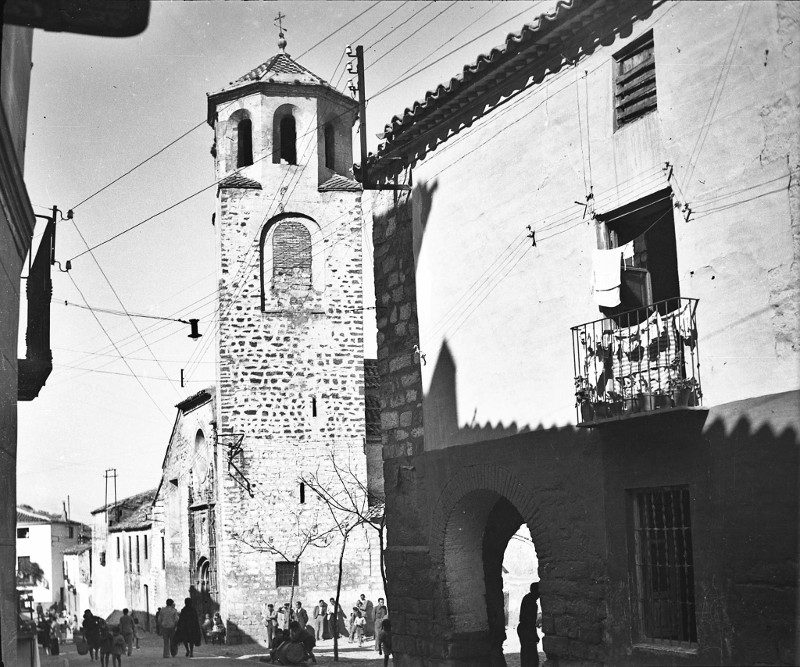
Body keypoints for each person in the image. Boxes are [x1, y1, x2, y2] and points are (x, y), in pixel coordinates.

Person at [517, 582, 540, 667]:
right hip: (527, 630)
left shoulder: (527, 598)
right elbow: (530, 622)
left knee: (526, 654)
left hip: (523, 629)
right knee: (531, 656)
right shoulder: (532, 603)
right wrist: (535, 635)